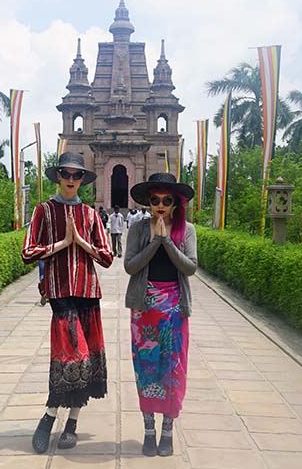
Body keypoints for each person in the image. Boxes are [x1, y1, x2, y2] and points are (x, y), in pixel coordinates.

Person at [22, 152, 114, 454]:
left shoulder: (90, 214)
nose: (71, 180)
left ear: (82, 180)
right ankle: (48, 418)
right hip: (60, 291)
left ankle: (72, 423)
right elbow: (28, 251)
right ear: (58, 176)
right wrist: (61, 244)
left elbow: (107, 257)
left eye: (77, 176)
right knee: (72, 355)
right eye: (66, 174)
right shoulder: (44, 211)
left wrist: (82, 243)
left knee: (87, 360)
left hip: (88, 291)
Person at [123, 172, 197, 457]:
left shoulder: (186, 230)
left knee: (173, 369)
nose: (161, 206)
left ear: (176, 203)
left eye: (167, 200)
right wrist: (154, 241)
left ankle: (168, 430)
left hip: (175, 309)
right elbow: (130, 266)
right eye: (155, 200)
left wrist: (167, 241)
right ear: (148, 203)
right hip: (145, 309)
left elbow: (190, 267)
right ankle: (149, 430)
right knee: (147, 369)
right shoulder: (139, 229)